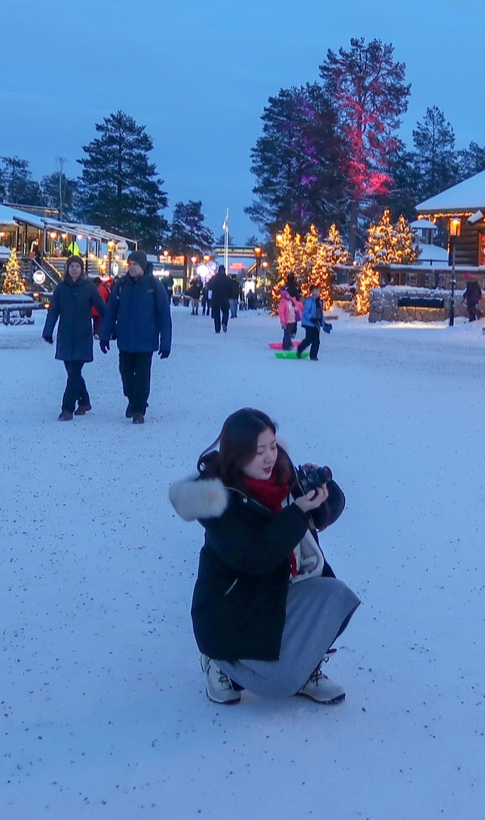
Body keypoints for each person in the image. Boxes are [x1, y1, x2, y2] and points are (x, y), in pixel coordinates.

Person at [168, 408, 355, 705]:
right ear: (237, 454)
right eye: (258, 451)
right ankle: (220, 663)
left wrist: (323, 494)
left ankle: (306, 668)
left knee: (335, 599)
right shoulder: (219, 503)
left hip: (281, 589)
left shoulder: (282, 474)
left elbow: (322, 515)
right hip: (235, 611)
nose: (269, 457)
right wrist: (297, 512)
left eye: (272, 446)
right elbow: (256, 557)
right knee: (277, 684)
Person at [98, 251, 173, 423]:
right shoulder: (121, 285)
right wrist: (105, 335)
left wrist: (165, 343)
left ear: (143, 266)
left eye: (135, 264)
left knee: (141, 375)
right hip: (125, 339)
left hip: (146, 341)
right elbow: (111, 312)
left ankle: (139, 408)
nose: (131, 267)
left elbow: (164, 316)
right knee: (125, 373)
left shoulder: (154, 286)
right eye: (129, 264)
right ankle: (132, 400)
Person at [42, 256, 100, 420]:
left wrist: (108, 329)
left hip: (83, 336)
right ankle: (84, 402)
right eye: (71, 266)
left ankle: (67, 408)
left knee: (74, 372)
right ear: (67, 269)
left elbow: (103, 309)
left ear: (82, 270)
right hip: (66, 336)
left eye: (77, 266)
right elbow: (53, 311)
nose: (74, 269)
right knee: (72, 372)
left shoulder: (89, 287)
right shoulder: (61, 288)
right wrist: (48, 331)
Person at [295, 285, 326, 360]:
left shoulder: (319, 301)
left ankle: (313, 356)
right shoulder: (309, 301)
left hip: (316, 323)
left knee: (316, 341)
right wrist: (311, 319)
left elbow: (320, 313)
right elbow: (305, 312)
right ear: (312, 292)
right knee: (309, 339)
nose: (318, 292)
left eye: (318, 290)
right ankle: (299, 349)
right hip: (309, 323)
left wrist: (323, 323)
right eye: (316, 290)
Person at [208, 264, 238, 334]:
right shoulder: (227, 279)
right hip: (225, 298)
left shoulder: (214, 278)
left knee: (216, 314)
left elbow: (209, 286)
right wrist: (229, 295)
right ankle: (224, 323)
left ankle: (217, 329)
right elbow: (231, 289)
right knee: (225, 312)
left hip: (216, 298)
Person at [276, 282, 300, 351]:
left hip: (292, 320)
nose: (289, 296)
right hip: (287, 321)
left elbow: (296, 305)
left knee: (288, 334)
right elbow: (281, 313)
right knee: (287, 334)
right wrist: (283, 322)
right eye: (287, 295)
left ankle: (287, 345)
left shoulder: (291, 301)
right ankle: (287, 346)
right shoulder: (283, 303)